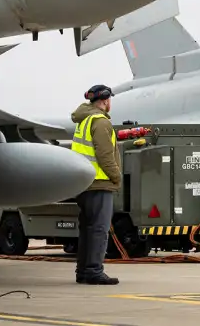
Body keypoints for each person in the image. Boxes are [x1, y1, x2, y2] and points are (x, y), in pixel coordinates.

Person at [70, 84, 122, 285]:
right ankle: (93, 271)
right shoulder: (100, 122)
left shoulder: (83, 121)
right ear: (106, 101)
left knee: (88, 229)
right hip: (99, 183)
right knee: (99, 229)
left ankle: (83, 271)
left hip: (84, 184)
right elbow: (105, 156)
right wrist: (116, 177)